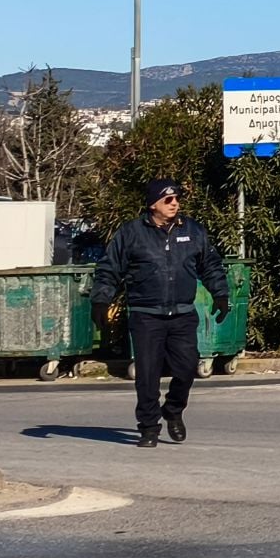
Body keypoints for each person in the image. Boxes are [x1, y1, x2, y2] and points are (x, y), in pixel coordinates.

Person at [92, 179, 230, 448]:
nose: (175, 203)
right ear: (153, 203)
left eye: (177, 198)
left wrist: (221, 294)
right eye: (168, 200)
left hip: (182, 314)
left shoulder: (193, 231)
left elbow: (210, 265)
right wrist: (101, 301)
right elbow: (109, 269)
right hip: (146, 315)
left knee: (188, 368)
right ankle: (149, 428)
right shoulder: (131, 233)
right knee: (147, 376)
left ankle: (174, 409)